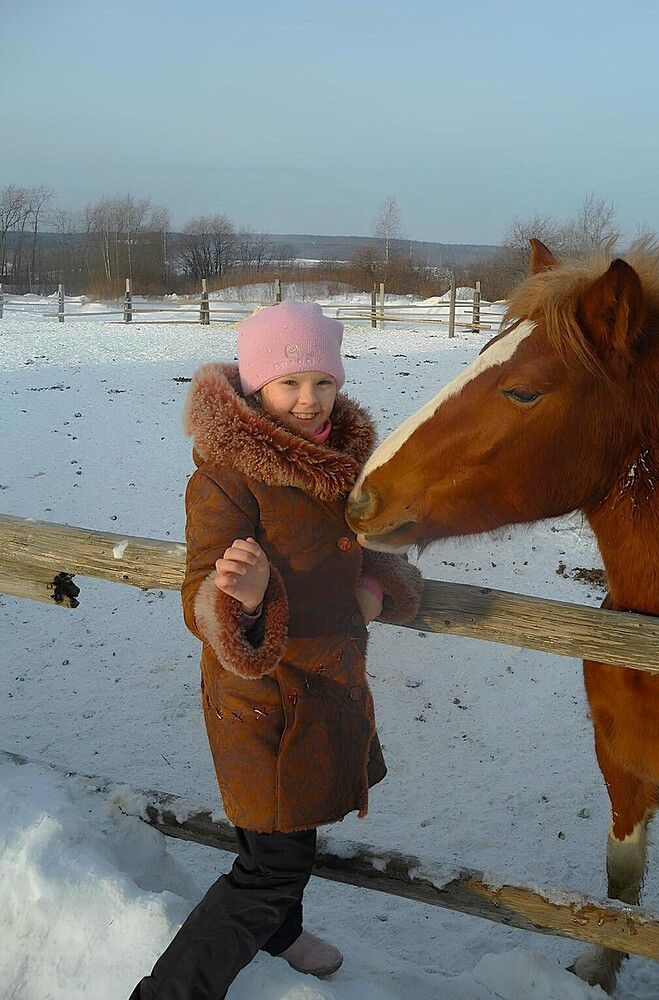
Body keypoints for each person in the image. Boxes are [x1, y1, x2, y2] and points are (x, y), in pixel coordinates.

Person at [130, 301, 423, 999]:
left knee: (279, 832)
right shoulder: (227, 475)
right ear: (258, 384)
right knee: (272, 868)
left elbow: (374, 543)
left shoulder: (345, 460)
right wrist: (247, 598)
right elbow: (200, 593)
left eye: (322, 381)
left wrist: (374, 590)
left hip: (321, 688)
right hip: (264, 702)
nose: (308, 399)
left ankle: (280, 936)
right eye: (289, 383)